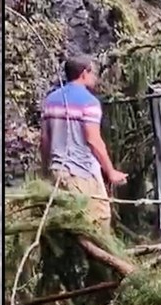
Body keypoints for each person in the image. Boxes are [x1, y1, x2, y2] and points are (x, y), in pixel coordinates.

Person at [40, 55, 127, 226]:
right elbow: (93, 140)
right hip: (82, 173)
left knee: (68, 223)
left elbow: (44, 139)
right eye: (93, 73)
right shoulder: (89, 102)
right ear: (84, 73)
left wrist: (45, 170)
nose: (95, 77)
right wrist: (111, 172)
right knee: (98, 221)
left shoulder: (50, 101)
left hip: (58, 172)